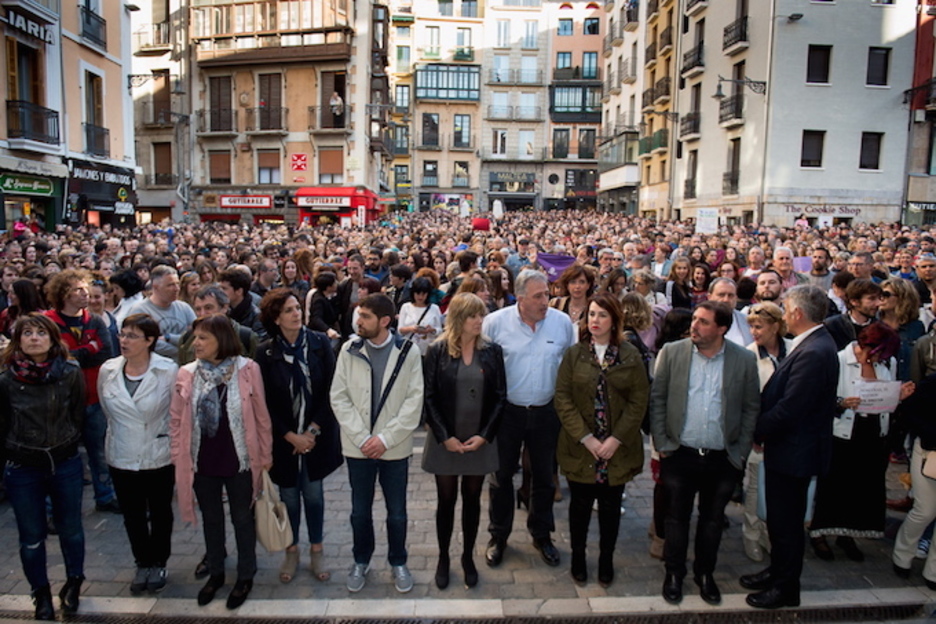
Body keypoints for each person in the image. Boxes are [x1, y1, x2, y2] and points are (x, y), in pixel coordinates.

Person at [650, 301, 760, 605]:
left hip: (722, 458)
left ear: (722, 329)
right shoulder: (673, 353)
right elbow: (658, 399)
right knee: (676, 519)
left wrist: (739, 452)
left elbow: (751, 407)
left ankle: (705, 573)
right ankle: (674, 573)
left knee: (712, 520)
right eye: (694, 319)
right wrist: (663, 442)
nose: (694, 326)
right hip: (680, 453)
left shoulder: (743, 359)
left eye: (703, 322)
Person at [741, 285, 839, 610]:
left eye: (785, 308)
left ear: (797, 313)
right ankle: (777, 572)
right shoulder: (814, 344)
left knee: (786, 523)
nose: (783, 313)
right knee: (782, 521)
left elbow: (791, 407)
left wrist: (756, 429)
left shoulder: (813, 350)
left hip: (795, 450)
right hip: (790, 448)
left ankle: (785, 587)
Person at [170, 314, 273, 610]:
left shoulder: (248, 369)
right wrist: (179, 455)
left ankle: (245, 574)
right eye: (195, 337)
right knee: (211, 518)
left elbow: (261, 416)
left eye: (203, 338)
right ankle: (216, 572)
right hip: (202, 459)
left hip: (239, 457)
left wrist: (265, 456)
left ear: (222, 341)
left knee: (243, 518)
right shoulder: (187, 373)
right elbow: (177, 419)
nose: (196, 343)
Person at [329, 293, 424, 594]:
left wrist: (384, 438)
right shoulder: (349, 349)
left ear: (385, 321)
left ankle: (398, 562)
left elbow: (414, 400)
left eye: (366, 316)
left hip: (393, 448)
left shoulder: (407, 351)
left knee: (397, 511)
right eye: (358, 315)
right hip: (358, 448)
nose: (358, 321)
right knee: (359, 511)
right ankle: (361, 560)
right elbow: (339, 396)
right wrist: (363, 438)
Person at [482, 270, 576, 569]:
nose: (545, 301)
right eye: (538, 296)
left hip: (547, 412)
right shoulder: (496, 323)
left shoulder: (561, 324)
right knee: (501, 477)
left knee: (544, 478)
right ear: (519, 298)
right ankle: (499, 535)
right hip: (507, 413)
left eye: (547, 294)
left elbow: (570, 367)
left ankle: (541, 534)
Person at [555, 292, 649, 587]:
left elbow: (638, 400)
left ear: (615, 320)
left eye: (602, 315)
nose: (595, 320)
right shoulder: (575, 353)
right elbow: (563, 397)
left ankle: (606, 558)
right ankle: (578, 556)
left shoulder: (629, 354)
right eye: (591, 314)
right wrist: (586, 438)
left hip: (615, 450)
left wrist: (616, 439)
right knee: (580, 507)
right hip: (581, 447)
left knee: (610, 509)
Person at [0, 314, 86, 620]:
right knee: (31, 536)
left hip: (64, 461)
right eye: (27, 333)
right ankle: (40, 593)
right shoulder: (6, 379)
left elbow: (78, 413)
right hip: (24, 466)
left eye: (40, 332)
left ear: (52, 338)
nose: (34, 338)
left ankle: (74, 583)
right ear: (18, 339)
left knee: (71, 530)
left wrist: (67, 442)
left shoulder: (70, 372)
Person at [256, 289, 342, 585]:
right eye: (290, 310)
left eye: (297, 308)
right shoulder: (265, 352)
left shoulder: (320, 344)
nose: (297, 313)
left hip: (316, 434)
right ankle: (291, 549)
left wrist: (312, 432)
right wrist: (290, 435)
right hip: (285, 439)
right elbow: (264, 401)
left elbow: (333, 390)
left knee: (314, 494)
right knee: (289, 496)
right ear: (276, 318)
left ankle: (317, 548)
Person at [808, 323, 914, 562]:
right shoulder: (838, 360)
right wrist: (841, 403)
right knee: (834, 485)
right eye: (874, 353)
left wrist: (899, 397)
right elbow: (820, 397)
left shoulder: (889, 363)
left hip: (874, 432)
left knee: (862, 486)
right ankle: (819, 533)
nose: (877, 359)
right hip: (843, 432)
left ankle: (848, 535)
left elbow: (887, 398)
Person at [423, 293, 506, 590]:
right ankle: (444, 557)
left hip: (478, 440)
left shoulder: (491, 351)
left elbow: (500, 397)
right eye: (473, 315)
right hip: (446, 439)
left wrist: (485, 435)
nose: (479, 321)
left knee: (472, 499)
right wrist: (445, 437)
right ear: (458, 318)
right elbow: (429, 397)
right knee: (446, 500)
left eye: (481, 315)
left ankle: (467, 557)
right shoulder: (437, 350)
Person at [98, 314, 178, 594]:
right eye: (122, 334)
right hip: (122, 452)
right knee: (132, 513)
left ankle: (159, 560)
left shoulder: (168, 370)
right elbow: (107, 409)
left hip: (158, 452)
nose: (124, 341)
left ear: (149, 340)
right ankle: (142, 561)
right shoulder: (108, 369)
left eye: (132, 336)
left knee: (159, 511)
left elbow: (175, 413)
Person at [44, 269, 118, 513]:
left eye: (85, 289)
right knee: (62, 457)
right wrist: (90, 348)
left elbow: (107, 353)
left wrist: (73, 354)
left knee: (99, 452)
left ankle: (105, 495)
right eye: (78, 289)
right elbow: (52, 359)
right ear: (63, 293)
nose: (85, 294)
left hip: (94, 397)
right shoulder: (49, 322)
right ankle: (58, 508)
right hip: (62, 401)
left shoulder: (94, 320)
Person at [741, 302, 791, 563]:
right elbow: (746, 401)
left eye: (759, 326)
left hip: (786, 434)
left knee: (778, 492)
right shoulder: (748, 355)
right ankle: (751, 534)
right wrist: (755, 434)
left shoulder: (793, 351)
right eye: (750, 326)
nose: (754, 332)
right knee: (754, 489)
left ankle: (770, 534)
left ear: (775, 326)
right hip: (759, 435)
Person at [126, 265, 196, 362]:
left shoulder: (184, 308)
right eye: (170, 285)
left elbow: (195, 337)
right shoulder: (140, 311)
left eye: (177, 284)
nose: (176, 289)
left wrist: (169, 338)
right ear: (156, 287)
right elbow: (148, 344)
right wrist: (182, 348)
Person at [878, 278, 925, 381]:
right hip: (880, 388)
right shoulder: (873, 326)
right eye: (879, 294)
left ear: (902, 298)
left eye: (886, 294)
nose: (881, 298)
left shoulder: (916, 327)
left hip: (910, 387)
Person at [397, 277, 444, 356]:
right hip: (410, 350)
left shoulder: (434, 308)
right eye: (418, 294)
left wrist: (431, 330)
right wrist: (411, 329)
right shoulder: (406, 307)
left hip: (427, 350)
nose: (420, 297)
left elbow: (439, 330)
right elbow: (400, 330)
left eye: (423, 294)